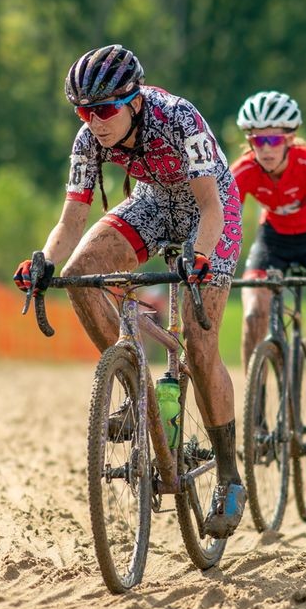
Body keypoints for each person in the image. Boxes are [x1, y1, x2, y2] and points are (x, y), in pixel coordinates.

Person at [13, 45, 249, 538]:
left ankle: (229, 477)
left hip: (208, 213)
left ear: (134, 100)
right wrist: (44, 261)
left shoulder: (180, 118)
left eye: (103, 110)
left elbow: (209, 206)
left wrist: (199, 257)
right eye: (83, 111)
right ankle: (136, 383)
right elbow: (72, 218)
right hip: (151, 203)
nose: (93, 121)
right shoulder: (88, 139)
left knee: (201, 348)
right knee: (82, 272)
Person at [231, 90, 306, 447]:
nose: (264, 148)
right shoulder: (245, 170)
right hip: (273, 243)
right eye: (256, 140)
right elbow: (223, 222)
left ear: (290, 139)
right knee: (253, 315)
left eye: (273, 139)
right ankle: (257, 410)